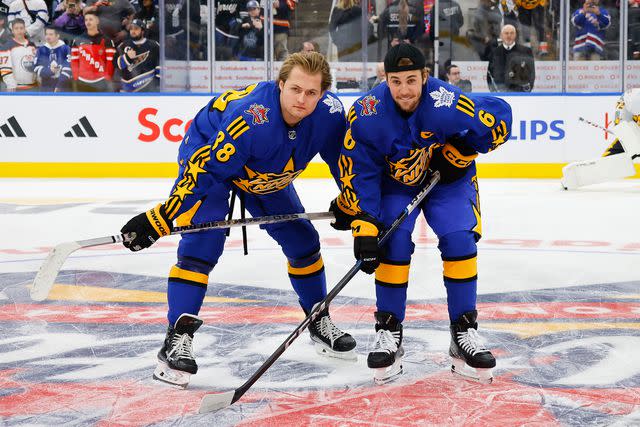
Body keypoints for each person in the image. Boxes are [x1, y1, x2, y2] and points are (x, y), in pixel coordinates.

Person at [119, 52, 356, 388]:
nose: (301, 100)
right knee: (202, 245)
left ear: (324, 94)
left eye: (311, 93)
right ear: (280, 85)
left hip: (263, 171)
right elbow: (207, 171)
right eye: (295, 89)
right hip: (210, 154)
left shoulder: (330, 115)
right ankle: (176, 337)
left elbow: (344, 161)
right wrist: (161, 216)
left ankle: (318, 317)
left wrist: (353, 202)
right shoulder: (251, 118)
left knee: (303, 241)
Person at [329, 43, 512, 385]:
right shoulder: (366, 113)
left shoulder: (447, 101)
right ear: (386, 79)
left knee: (459, 238)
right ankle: (388, 328)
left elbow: (500, 116)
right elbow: (360, 170)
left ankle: (464, 331)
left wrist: (461, 151)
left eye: (412, 80)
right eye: (396, 81)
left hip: (447, 182)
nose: (404, 90)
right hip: (396, 183)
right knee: (393, 241)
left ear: (426, 77)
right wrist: (363, 223)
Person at [561, 88, 640, 189]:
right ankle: (578, 176)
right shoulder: (634, 97)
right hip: (632, 131)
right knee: (610, 160)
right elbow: (621, 111)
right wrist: (621, 127)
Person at [70, 11, 115, 91]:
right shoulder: (77, 40)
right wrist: (76, 77)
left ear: (97, 21)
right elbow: (74, 61)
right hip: (82, 81)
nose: (88, 22)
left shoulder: (107, 40)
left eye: (91, 19)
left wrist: (107, 78)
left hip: (101, 81)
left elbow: (110, 62)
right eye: (86, 20)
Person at [486, 24, 535, 92]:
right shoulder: (495, 52)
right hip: (500, 93)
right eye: (506, 33)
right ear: (501, 36)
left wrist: (526, 91)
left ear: (515, 35)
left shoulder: (526, 51)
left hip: (520, 94)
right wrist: (493, 91)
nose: (509, 36)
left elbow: (531, 73)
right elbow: (489, 73)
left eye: (512, 33)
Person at [116, 18, 158, 92]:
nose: (133, 31)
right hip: (127, 89)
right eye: (131, 29)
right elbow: (116, 64)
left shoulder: (153, 45)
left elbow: (159, 65)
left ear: (142, 31)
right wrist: (127, 57)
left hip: (148, 87)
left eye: (136, 29)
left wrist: (158, 83)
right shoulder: (123, 45)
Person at [0, 19, 37, 91]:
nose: (19, 31)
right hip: (15, 89)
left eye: (21, 28)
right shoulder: (6, 46)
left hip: (33, 87)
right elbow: (4, 68)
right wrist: (10, 84)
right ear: (12, 30)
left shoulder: (32, 45)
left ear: (25, 29)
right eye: (16, 28)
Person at [34, 26, 71, 91]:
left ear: (57, 36)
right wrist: (50, 71)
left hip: (63, 88)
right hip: (45, 87)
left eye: (51, 34)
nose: (48, 37)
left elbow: (68, 68)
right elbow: (36, 68)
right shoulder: (41, 50)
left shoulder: (66, 49)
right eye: (46, 34)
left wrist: (59, 86)